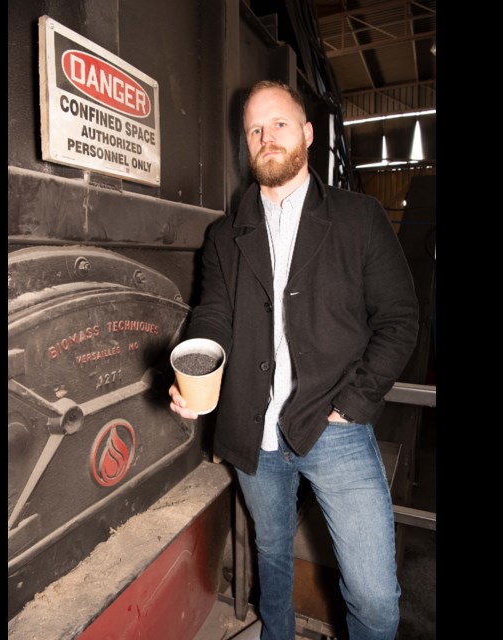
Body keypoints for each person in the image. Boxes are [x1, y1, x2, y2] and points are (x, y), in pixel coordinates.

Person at [169, 80, 419, 640]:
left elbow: (400, 319)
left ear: (306, 133)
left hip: (336, 429)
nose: (267, 137)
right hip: (252, 431)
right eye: (255, 129)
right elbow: (213, 313)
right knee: (272, 554)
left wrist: (353, 404)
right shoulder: (225, 235)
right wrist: (197, 369)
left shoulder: (359, 218)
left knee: (376, 600)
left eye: (279, 123)